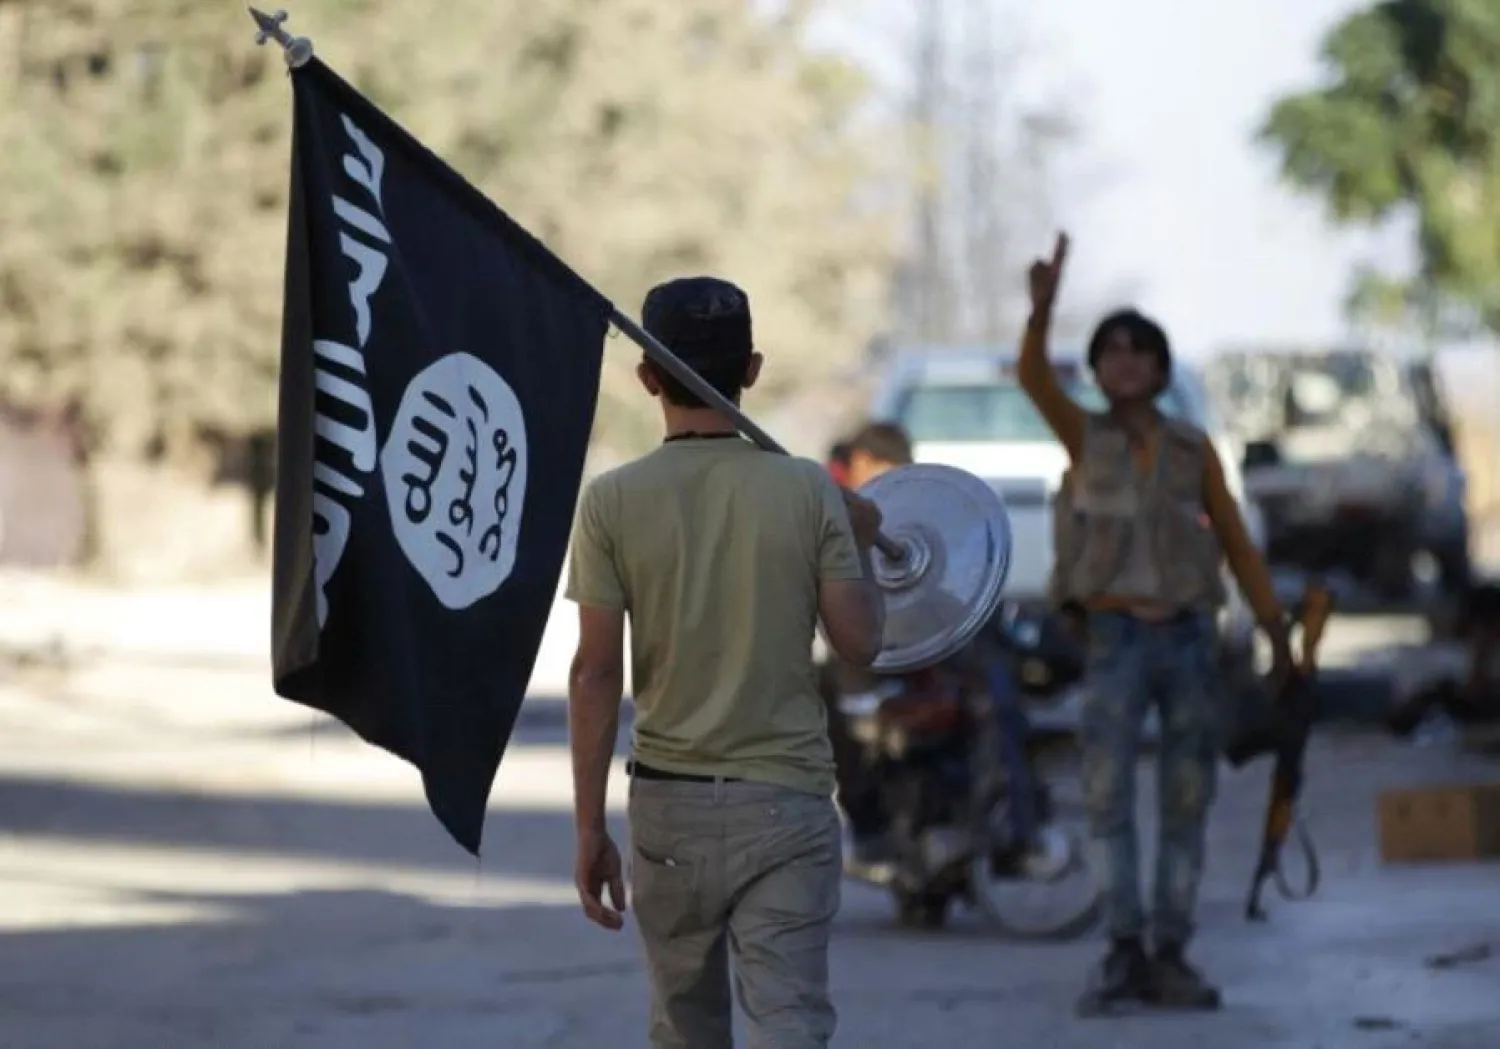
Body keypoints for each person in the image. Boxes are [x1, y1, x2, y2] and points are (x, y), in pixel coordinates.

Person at [564, 275, 886, 1049]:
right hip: (787, 802)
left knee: (686, 1029)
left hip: (668, 809)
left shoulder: (611, 501)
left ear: (648, 376)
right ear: (752, 368)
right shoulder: (807, 489)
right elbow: (862, 642)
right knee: (790, 1023)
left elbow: (595, 674)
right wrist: (864, 540)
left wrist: (590, 828)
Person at [1019, 233, 1293, 1015]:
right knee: (1107, 797)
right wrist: (1041, 310)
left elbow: (1235, 539)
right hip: (1114, 641)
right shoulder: (1085, 437)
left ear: (1162, 368)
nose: (1127, 361)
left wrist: (1275, 630)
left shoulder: (1191, 449)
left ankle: (1170, 948)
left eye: (1141, 350)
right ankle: (1123, 947)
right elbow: (1034, 377)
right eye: (1112, 350)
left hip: (1188, 639)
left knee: (1185, 798)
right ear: (1096, 369)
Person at [816, 421, 915, 867]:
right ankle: (871, 830)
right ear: (861, 463)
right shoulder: (826, 502)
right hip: (848, 659)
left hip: (890, 645)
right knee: (852, 734)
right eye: (884, 470)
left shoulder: (887, 505)